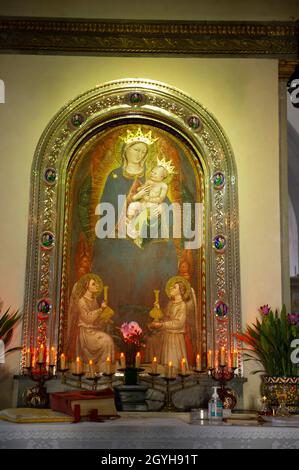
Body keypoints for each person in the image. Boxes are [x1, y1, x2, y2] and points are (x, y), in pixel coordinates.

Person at [91, 129, 178, 315]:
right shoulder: (114, 177)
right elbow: (106, 205)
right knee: (112, 258)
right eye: (136, 149)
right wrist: (129, 202)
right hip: (120, 234)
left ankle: (152, 309)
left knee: (159, 257)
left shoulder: (153, 176)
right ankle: (114, 309)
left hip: (148, 234)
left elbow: (166, 206)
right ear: (125, 150)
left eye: (143, 151)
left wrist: (160, 211)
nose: (140, 154)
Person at [66, 273, 115, 366]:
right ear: (86, 286)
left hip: (93, 331)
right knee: (107, 340)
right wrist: (101, 309)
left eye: (96, 283)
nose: (96, 285)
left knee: (108, 340)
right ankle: (104, 367)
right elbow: (88, 318)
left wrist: (105, 318)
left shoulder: (94, 300)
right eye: (93, 284)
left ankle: (104, 367)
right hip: (86, 334)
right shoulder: (82, 301)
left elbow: (96, 319)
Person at [147, 276, 192, 369]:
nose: (171, 288)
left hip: (175, 339)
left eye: (174, 287)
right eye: (171, 287)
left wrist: (162, 325)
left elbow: (178, 323)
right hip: (167, 336)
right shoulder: (170, 304)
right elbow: (166, 319)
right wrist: (158, 310)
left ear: (180, 291)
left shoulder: (182, 305)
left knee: (174, 365)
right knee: (165, 365)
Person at [126, 162, 173, 246]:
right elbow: (142, 188)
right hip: (143, 203)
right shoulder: (149, 181)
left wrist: (150, 199)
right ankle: (129, 220)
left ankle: (136, 234)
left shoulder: (163, 186)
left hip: (153, 206)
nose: (152, 173)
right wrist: (140, 189)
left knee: (142, 217)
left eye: (155, 173)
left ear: (162, 177)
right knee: (132, 206)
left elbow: (161, 198)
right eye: (152, 171)